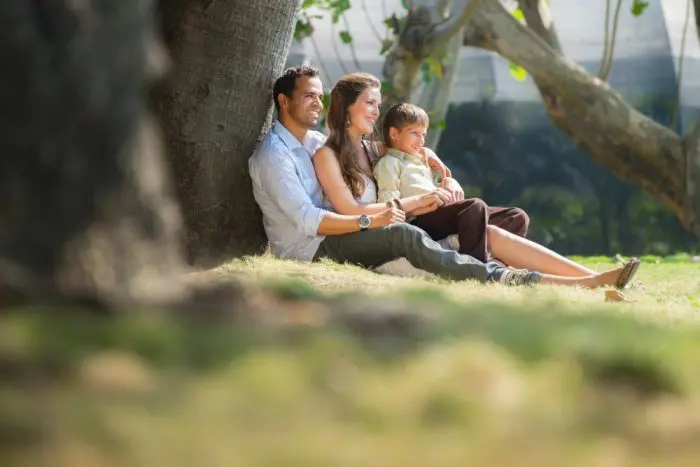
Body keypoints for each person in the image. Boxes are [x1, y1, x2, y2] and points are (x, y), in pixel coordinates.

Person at [310, 70, 640, 288]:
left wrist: (446, 178)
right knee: (476, 210)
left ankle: (599, 278)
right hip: (390, 228)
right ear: (346, 107)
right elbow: (349, 210)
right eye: (369, 103)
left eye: (378, 105)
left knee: (509, 220)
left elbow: (416, 150)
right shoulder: (329, 154)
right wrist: (419, 201)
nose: (375, 112)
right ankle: (482, 267)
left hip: (414, 215)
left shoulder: (371, 148)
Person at [376, 102, 531, 265]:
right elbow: (389, 208)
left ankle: (498, 263)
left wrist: (444, 181)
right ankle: (474, 267)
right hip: (421, 221)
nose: (421, 141)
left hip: (442, 213)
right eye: (415, 133)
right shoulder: (390, 163)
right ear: (394, 133)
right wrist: (417, 207)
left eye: (423, 134)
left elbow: (443, 180)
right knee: (474, 207)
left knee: (516, 216)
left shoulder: (422, 161)